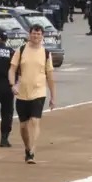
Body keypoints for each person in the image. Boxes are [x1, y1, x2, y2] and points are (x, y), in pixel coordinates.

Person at [9, 24, 56, 164]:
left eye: (38, 34)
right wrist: (12, 85)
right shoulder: (21, 50)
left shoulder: (46, 53)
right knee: (23, 126)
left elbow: (50, 76)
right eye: (33, 34)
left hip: (39, 92)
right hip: (22, 93)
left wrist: (53, 97)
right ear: (29, 35)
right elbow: (12, 69)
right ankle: (27, 147)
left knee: (35, 121)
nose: (36, 36)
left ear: (42, 36)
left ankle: (32, 151)